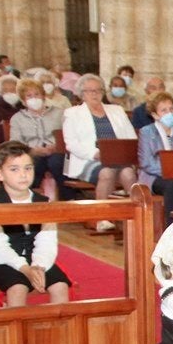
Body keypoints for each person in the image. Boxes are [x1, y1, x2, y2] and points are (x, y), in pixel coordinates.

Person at [0, 141, 71, 307]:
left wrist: (38, 266)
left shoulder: (44, 203)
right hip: (1, 261)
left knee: (60, 286)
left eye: (28, 168)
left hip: (36, 259)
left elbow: (47, 241)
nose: (23, 175)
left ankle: (59, 329)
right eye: (14, 169)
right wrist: (24, 268)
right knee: (18, 288)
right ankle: (17, 330)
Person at [62, 73, 138, 232]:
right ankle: (102, 218)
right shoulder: (72, 113)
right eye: (90, 91)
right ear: (81, 94)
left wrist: (124, 153)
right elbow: (71, 143)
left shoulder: (117, 110)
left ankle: (138, 216)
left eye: (98, 90)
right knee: (107, 172)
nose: (95, 94)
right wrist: (95, 153)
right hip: (89, 160)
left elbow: (131, 136)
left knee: (129, 174)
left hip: (118, 157)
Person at [138, 92, 173, 225]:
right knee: (172, 186)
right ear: (155, 115)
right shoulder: (147, 132)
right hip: (155, 176)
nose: (169, 113)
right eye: (164, 110)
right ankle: (171, 228)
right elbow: (146, 162)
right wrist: (171, 174)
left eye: (171, 109)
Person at [8, 79, 64, 201]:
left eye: (37, 94)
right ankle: (31, 199)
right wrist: (32, 150)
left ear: (43, 96)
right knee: (33, 164)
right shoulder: (17, 118)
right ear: (23, 100)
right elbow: (15, 142)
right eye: (29, 96)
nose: (34, 98)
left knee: (57, 163)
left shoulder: (59, 113)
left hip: (56, 150)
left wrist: (56, 145)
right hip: (31, 152)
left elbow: (67, 134)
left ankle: (67, 199)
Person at [0, 73, 22, 146]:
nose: (9, 93)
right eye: (5, 90)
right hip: (5, 144)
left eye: (13, 90)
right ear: (0, 92)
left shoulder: (24, 106)